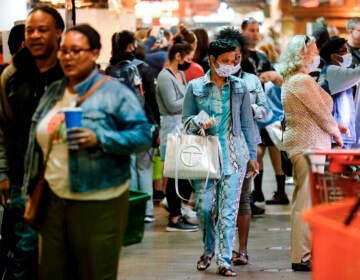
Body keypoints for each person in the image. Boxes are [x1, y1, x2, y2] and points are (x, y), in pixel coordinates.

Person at [22, 23, 153, 280]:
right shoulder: (54, 92)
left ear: (94, 53)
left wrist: (100, 138)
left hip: (98, 200)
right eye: (64, 51)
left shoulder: (114, 92)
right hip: (54, 199)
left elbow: (143, 134)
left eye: (76, 50)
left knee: (95, 274)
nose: (68, 57)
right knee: (51, 273)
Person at [182, 39, 258, 277]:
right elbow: (185, 121)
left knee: (228, 210)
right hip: (204, 157)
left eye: (233, 61)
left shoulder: (240, 87)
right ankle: (208, 249)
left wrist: (253, 155)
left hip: (235, 156)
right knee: (204, 208)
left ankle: (225, 260)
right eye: (224, 61)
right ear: (212, 60)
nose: (230, 65)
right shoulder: (195, 87)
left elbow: (247, 122)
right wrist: (197, 122)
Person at [0, 5, 64, 279]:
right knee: (23, 255)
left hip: (64, 181)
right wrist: (3, 172)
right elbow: (4, 129)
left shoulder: (72, 73)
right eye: (30, 30)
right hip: (22, 181)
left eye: (43, 29)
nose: (35, 35)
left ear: (59, 33)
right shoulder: (11, 77)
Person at [278, 34, 347, 272]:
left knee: (307, 201)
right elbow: (320, 112)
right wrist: (337, 134)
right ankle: (302, 255)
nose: (317, 55)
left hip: (309, 144)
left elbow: (312, 113)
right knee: (305, 202)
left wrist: (336, 128)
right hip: (308, 147)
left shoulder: (297, 80)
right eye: (314, 51)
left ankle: (307, 252)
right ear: (302, 54)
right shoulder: (301, 81)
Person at [216, 27, 265, 265]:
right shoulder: (209, 82)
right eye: (228, 55)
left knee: (243, 198)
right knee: (216, 201)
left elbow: (265, 111)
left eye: (236, 54)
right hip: (216, 149)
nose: (233, 60)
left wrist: (249, 108)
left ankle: (241, 250)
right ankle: (218, 250)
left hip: (244, 146)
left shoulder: (251, 81)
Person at [105, 30, 160, 223]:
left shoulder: (110, 70)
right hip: (143, 125)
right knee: (144, 168)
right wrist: (157, 126)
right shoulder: (143, 68)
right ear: (130, 45)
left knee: (129, 168)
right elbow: (152, 100)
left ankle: (133, 210)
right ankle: (147, 211)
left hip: (121, 126)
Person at [240, 17, 287, 210]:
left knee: (275, 149)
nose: (255, 34)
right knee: (256, 152)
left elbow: (278, 82)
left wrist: (274, 76)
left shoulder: (262, 57)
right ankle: (255, 192)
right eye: (251, 30)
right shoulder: (238, 57)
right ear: (242, 32)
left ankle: (280, 190)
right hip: (245, 111)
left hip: (265, 112)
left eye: (257, 30)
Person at [156, 34, 198, 232]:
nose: (189, 63)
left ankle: (178, 212)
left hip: (181, 129)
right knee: (174, 175)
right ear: (178, 56)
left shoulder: (179, 75)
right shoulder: (165, 76)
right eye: (187, 59)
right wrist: (191, 97)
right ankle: (174, 218)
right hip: (171, 129)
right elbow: (172, 105)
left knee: (183, 174)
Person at [318, 36, 360, 148]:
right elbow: (357, 73)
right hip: (335, 136)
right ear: (334, 56)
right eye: (344, 51)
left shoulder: (333, 71)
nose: (348, 54)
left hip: (340, 133)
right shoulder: (332, 71)